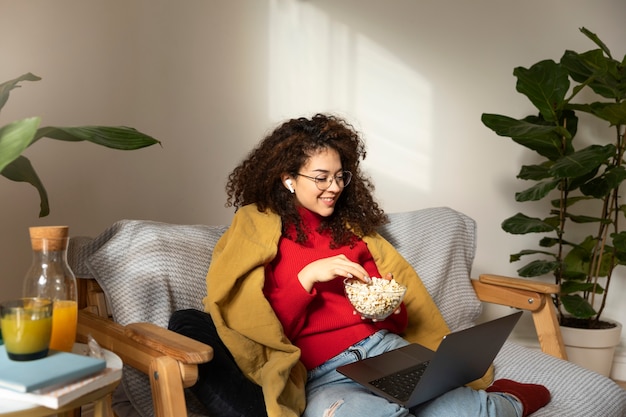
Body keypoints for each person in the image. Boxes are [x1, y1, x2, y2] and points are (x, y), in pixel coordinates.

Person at [168, 114, 551, 417]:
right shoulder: (259, 231)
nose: (334, 187)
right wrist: (308, 278)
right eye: (321, 177)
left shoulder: (352, 232)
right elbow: (260, 329)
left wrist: (384, 304)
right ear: (287, 179)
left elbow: (401, 318)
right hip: (321, 376)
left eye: (339, 176)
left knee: (465, 412)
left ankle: (508, 401)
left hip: (382, 350)